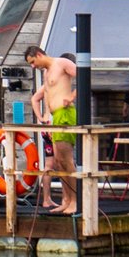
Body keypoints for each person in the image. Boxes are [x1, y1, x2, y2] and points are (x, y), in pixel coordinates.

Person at [24, 43, 79, 213]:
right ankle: (66, 200)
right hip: (54, 118)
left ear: (39, 54)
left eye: (33, 62)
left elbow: (84, 76)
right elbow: (37, 98)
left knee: (67, 159)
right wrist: (41, 118)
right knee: (58, 162)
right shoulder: (47, 72)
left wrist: (71, 97)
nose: (33, 66)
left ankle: (74, 202)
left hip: (65, 114)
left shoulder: (61, 63)